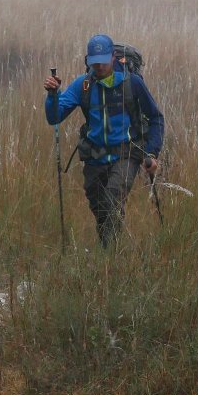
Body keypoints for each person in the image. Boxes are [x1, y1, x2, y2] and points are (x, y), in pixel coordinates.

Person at [44, 34, 165, 247]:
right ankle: (110, 250)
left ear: (113, 56)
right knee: (101, 210)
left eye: (103, 60)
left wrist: (152, 152)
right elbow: (54, 117)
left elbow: (156, 118)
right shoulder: (83, 86)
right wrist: (53, 95)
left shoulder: (133, 83)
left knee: (112, 200)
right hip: (94, 156)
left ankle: (111, 255)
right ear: (88, 60)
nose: (99, 66)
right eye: (94, 61)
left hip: (127, 153)